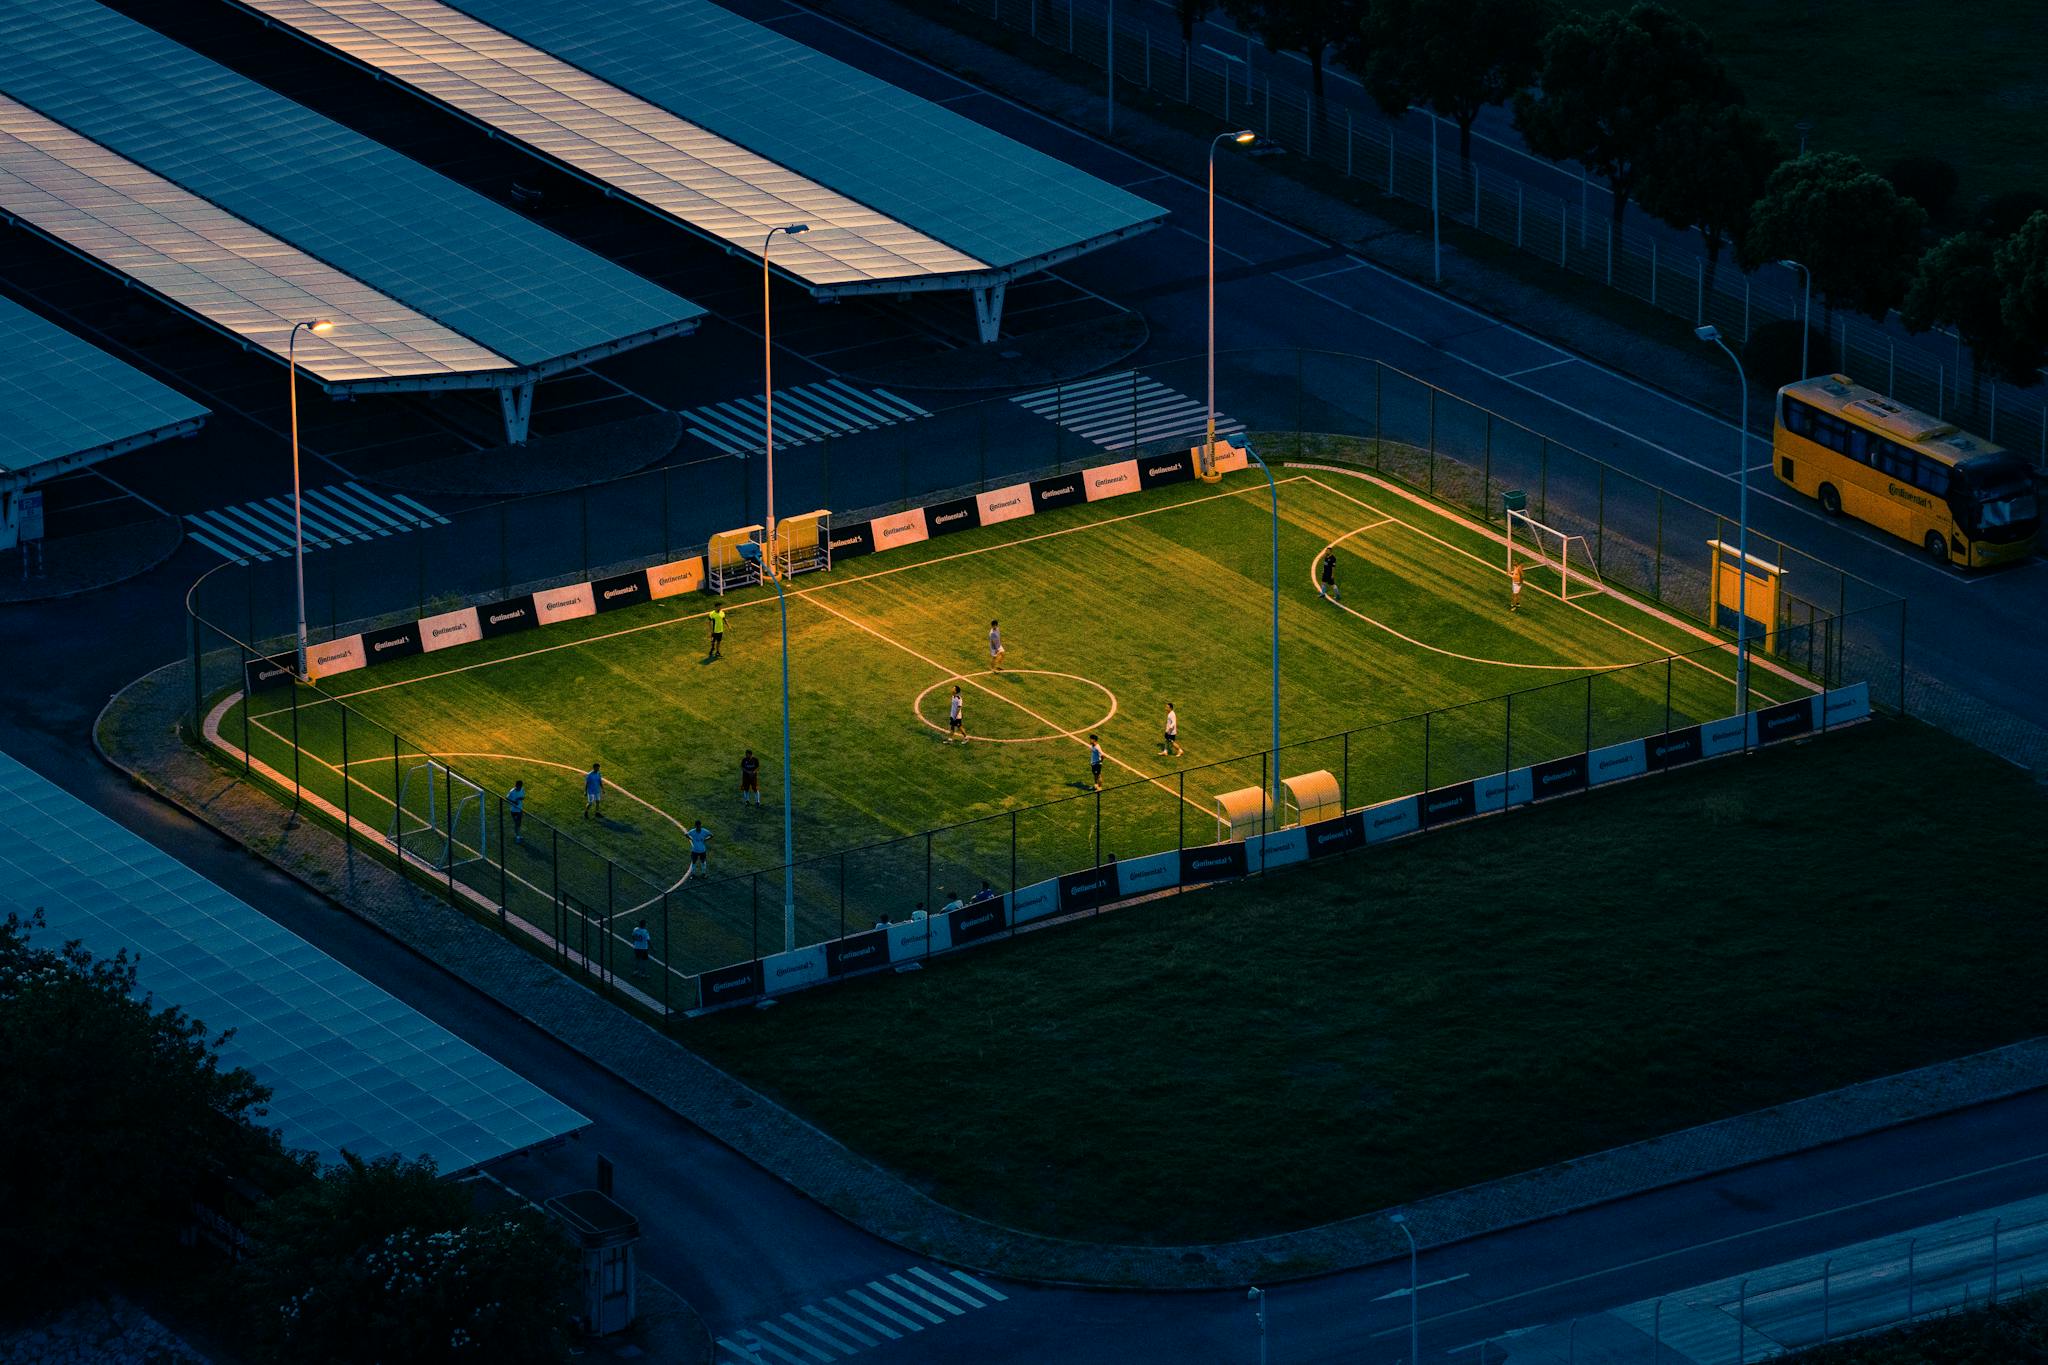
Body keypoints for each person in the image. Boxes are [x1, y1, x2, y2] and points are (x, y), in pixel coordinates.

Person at [506, 779, 526, 844]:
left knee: (519, 824)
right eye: (517, 786)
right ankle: (517, 837)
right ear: (516, 785)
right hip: (514, 811)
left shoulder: (522, 789)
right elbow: (507, 798)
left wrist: (519, 798)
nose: (518, 787)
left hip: (520, 810)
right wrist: (514, 802)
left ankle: (518, 835)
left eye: (520, 786)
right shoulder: (512, 791)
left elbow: (523, 797)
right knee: (517, 823)